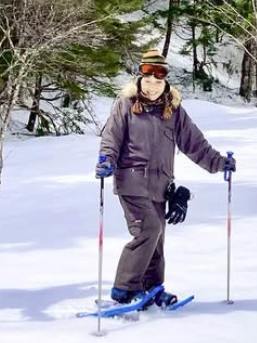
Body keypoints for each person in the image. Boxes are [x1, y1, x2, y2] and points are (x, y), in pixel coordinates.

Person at [96, 49, 235, 308]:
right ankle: (124, 290)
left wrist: (219, 162)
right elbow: (111, 139)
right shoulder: (125, 106)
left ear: (165, 83)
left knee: (158, 239)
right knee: (148, 229)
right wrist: (107, 161)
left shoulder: (173, 110)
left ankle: (151, 288)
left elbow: (195, 143)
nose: (152, 87)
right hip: (131, 181)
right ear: (139, 80)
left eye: (158, 82)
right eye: (147, 81)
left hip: (160, 186)